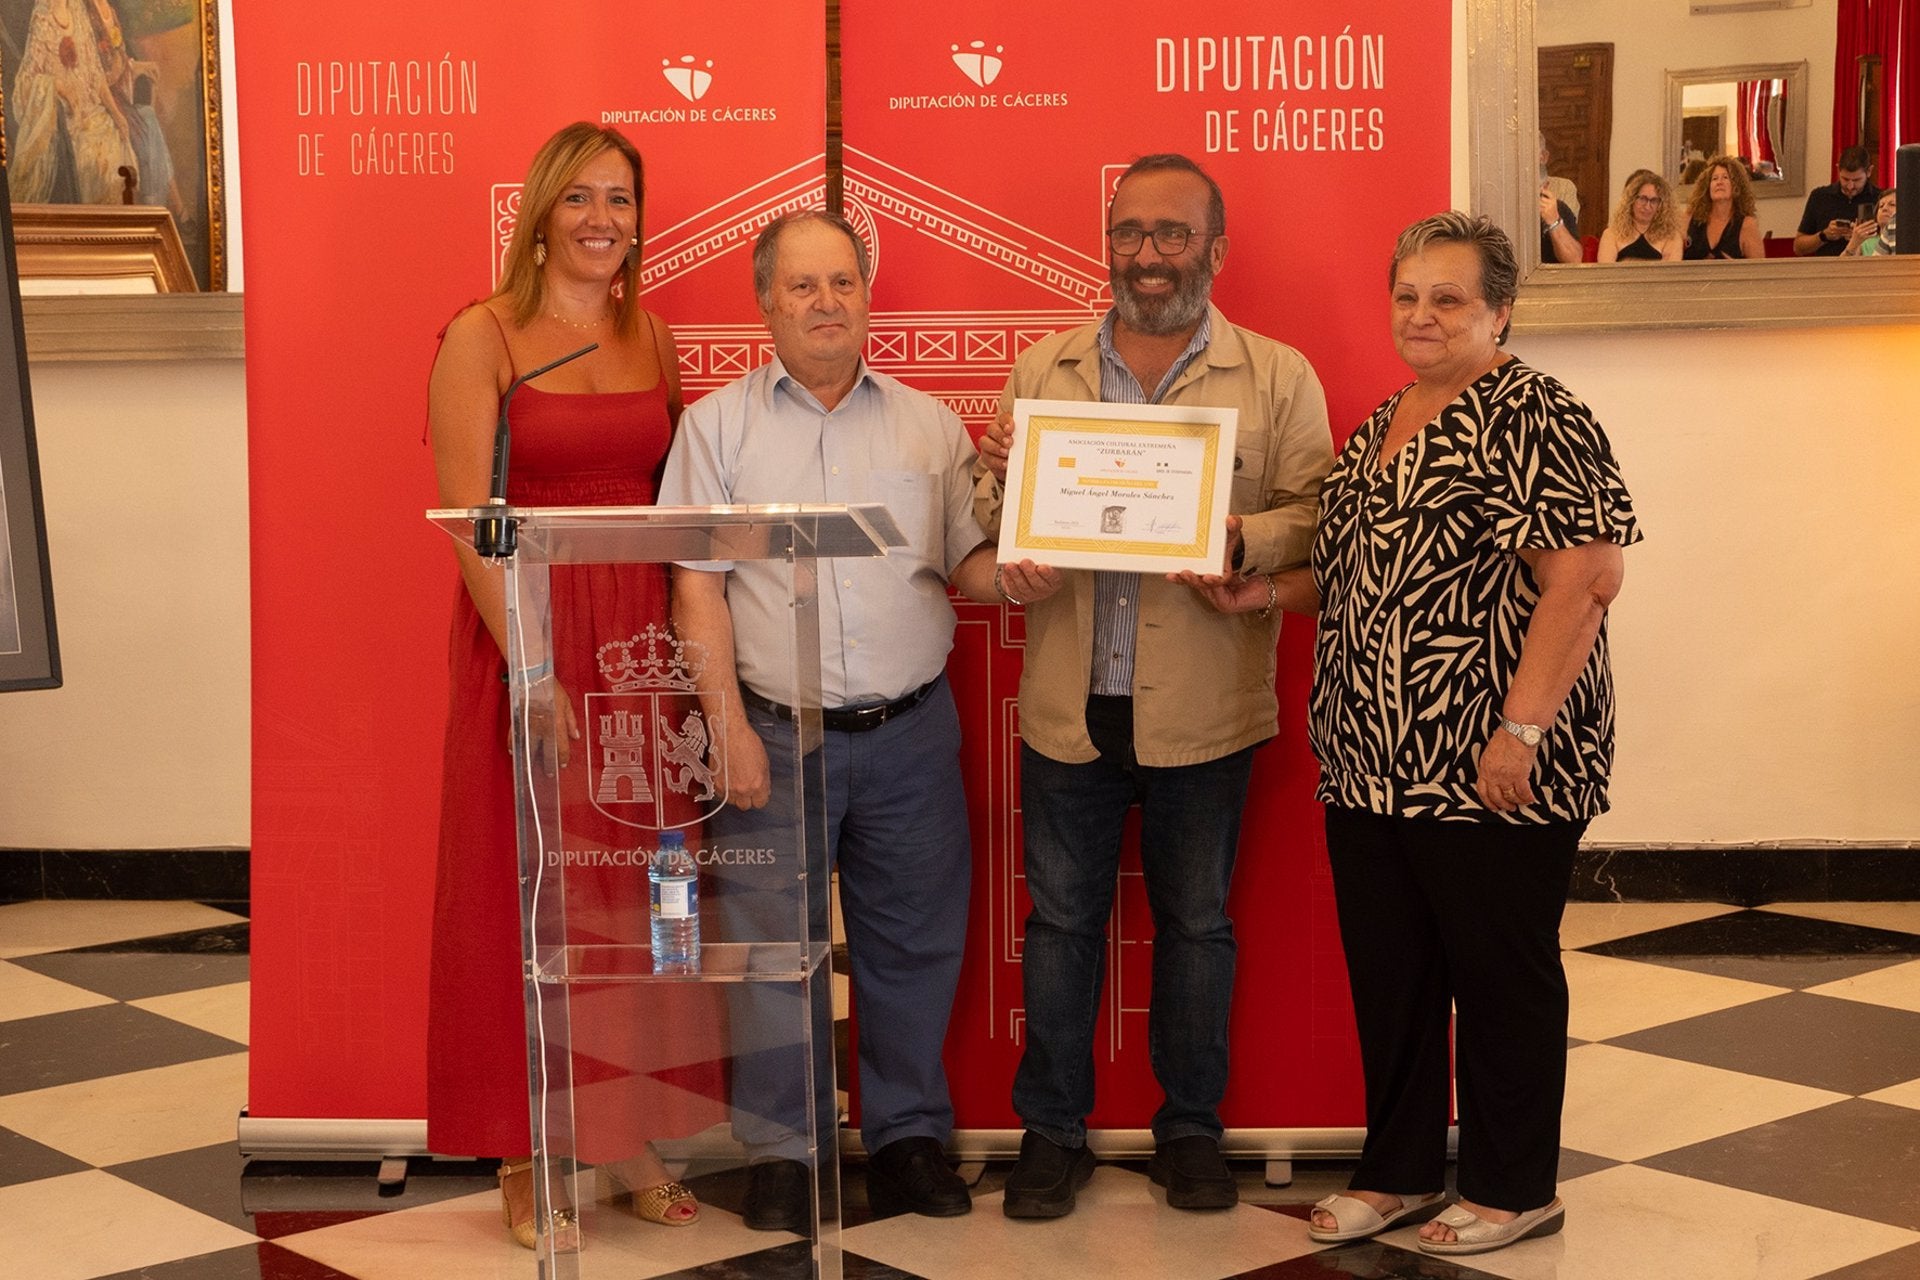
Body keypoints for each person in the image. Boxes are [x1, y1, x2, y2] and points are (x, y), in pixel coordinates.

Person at [1205, 212, 1638, 1257]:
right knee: (1394, 978)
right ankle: (1397, 1167)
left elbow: (1585, 574)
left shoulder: (1535, 412)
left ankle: (1512, 1181)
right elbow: (1355, 576)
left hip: (1493, 760)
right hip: (1370, 760)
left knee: (1499, 975)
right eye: (1408, 295)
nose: (1423, 315)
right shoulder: (1387, 420)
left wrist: (1521, 728)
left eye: (1449, 298)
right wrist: (1262, 588)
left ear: (1500, 310)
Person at [971, 153, 1333, 1219]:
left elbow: (1321, 513)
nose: (1150, 255)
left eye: (1173, 234)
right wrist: (1009, 530)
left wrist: (1242, 539)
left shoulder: (1278, 375)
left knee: (1198, 925)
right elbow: (994, 507)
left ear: (1214, 249)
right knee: (1061, 924)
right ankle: (1051, 1131)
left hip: (1205, 704)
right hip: (1069, 702)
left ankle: (1190, 1132)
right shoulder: (1044, 371)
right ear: (1108, 242)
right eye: (1131, 232)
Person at [659, 210, 1000, 1231]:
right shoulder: (718, 428)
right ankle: (783, 1146)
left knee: (914, 944)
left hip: (910, 731)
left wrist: (1030, 562)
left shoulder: (928, 427)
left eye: (842, 282)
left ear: (867, 293)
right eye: (801, 285)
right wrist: (726, 723)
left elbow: (967, 566)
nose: (824, 302)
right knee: (771, 950)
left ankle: (905, 1140)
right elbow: (696, 588)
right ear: (764, 301)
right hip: (773, 727)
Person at [427, 122, 718, 1247]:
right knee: (529, 887)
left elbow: (681, 498)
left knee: (642, 893)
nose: (605, 219)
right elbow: (466, 522)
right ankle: (524, 1140)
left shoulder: (660, 338)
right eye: (582, 199)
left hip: (641, 646)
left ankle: (631, 1127)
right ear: (541, 215)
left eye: (622, 201)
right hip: (532, 640)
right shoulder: (482, 335)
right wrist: (532, 666)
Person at [1795, 145, 1881, 257]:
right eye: (1845, 179)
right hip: (1826, 269)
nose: (1850, 186)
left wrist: (1861, 238)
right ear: (1837, 170)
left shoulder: (1880, 199)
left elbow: (1892, 242)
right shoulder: (1820, 196)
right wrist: (1824, 235)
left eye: (1856, 180)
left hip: (1867, 269)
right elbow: (1798, 248)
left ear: (1869, 171)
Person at [1682, 156, 1764, 260]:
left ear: (1736, 186)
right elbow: (1674, 259)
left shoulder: (1747, 225)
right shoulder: (1689, 218)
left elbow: (1759, 270)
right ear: (1707, 187)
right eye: (1714, 178)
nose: (1719, 182)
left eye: (1725, 177)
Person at [1597, 169, 1683, 262]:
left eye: (1654, 201)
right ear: (1631, 200)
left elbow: (1669, 273)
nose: (1647, 206)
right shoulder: (1611, 234)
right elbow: (1606, 273)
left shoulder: (1672, 236)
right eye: (1643, 199)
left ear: (1662, 205)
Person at [1844, 189, 1897, 256]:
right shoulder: (1865, 242)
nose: (1884, 208)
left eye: (1892, 205)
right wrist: (1854, 243)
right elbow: (1843, 265)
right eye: (1881, 206)